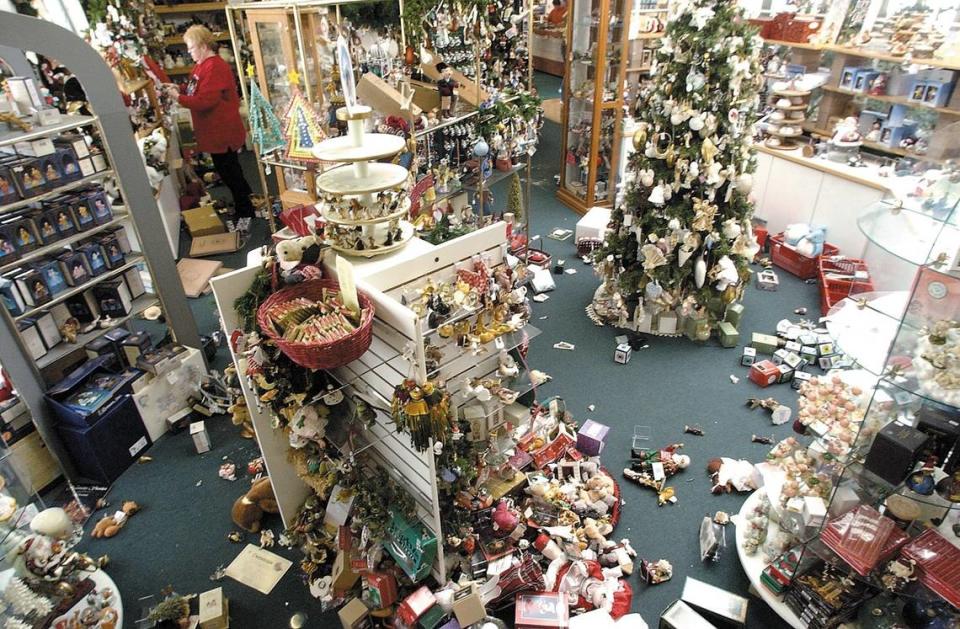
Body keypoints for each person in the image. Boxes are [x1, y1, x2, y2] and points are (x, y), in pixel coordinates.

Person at [164, 25, 254, 219]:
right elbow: (194, 89)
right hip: (215, 131)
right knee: (230, 169)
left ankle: (245, 208)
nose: (189, 52)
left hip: (222, 131)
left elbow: (205, 101)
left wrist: (178, 97)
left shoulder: (213, 66)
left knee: (229, 171)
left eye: (191, 47)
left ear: (203, 46)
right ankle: (246, 199)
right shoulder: (203, 65)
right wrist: (178, 89)